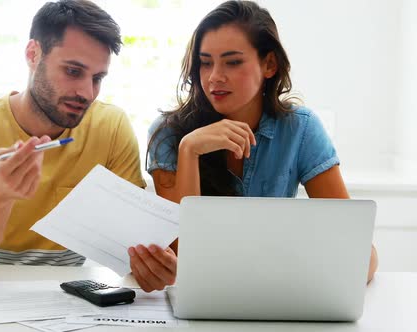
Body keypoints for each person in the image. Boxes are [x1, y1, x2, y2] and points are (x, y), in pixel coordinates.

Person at [128, 0, 378, 292]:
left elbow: (357, 248)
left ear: (269, 64)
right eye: (205, 62)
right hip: (204, 295)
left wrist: (349, 265)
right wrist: (189, 150)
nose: (214, 77)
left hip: (277, 289)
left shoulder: (301, 128)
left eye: (232, 62)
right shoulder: (169, 133)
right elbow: (182, 253)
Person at [0, 0, 145, 278]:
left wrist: (150, 264)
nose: (87, 93)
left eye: (97, 78)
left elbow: (130, 241)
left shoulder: (112, 127)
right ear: (33, 54)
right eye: (72, 71)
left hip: (64, 295)